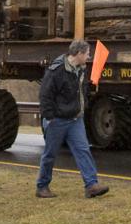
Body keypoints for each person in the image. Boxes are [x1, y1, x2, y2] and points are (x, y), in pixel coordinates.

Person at [36, 40, 110, 199]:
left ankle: (91, 185)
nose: (89, 57)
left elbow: (80, 93)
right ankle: (42, 186)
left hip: (75, 120)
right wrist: (49, 117)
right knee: (50, 154)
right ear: (79, 54)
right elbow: (45, 95)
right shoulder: (56, 71)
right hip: (57, 120)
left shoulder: (81, 70)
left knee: (83, 151)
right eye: (87, 53)